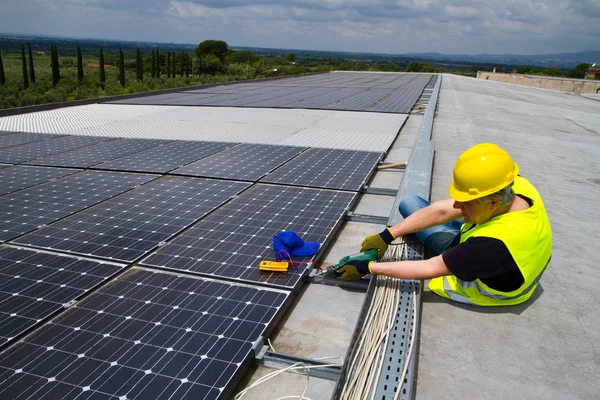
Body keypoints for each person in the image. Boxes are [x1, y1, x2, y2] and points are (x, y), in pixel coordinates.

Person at [335, 143, 552, 306]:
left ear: (493, 202)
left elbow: (430, 267)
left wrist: (369, 267)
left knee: (436, 254)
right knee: (410, 202)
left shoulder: (491, 247)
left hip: (490, 284)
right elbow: (441, 210)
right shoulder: (516, 186)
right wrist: (387, 235)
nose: (457, 205)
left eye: (465, 202)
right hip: (490, 244)